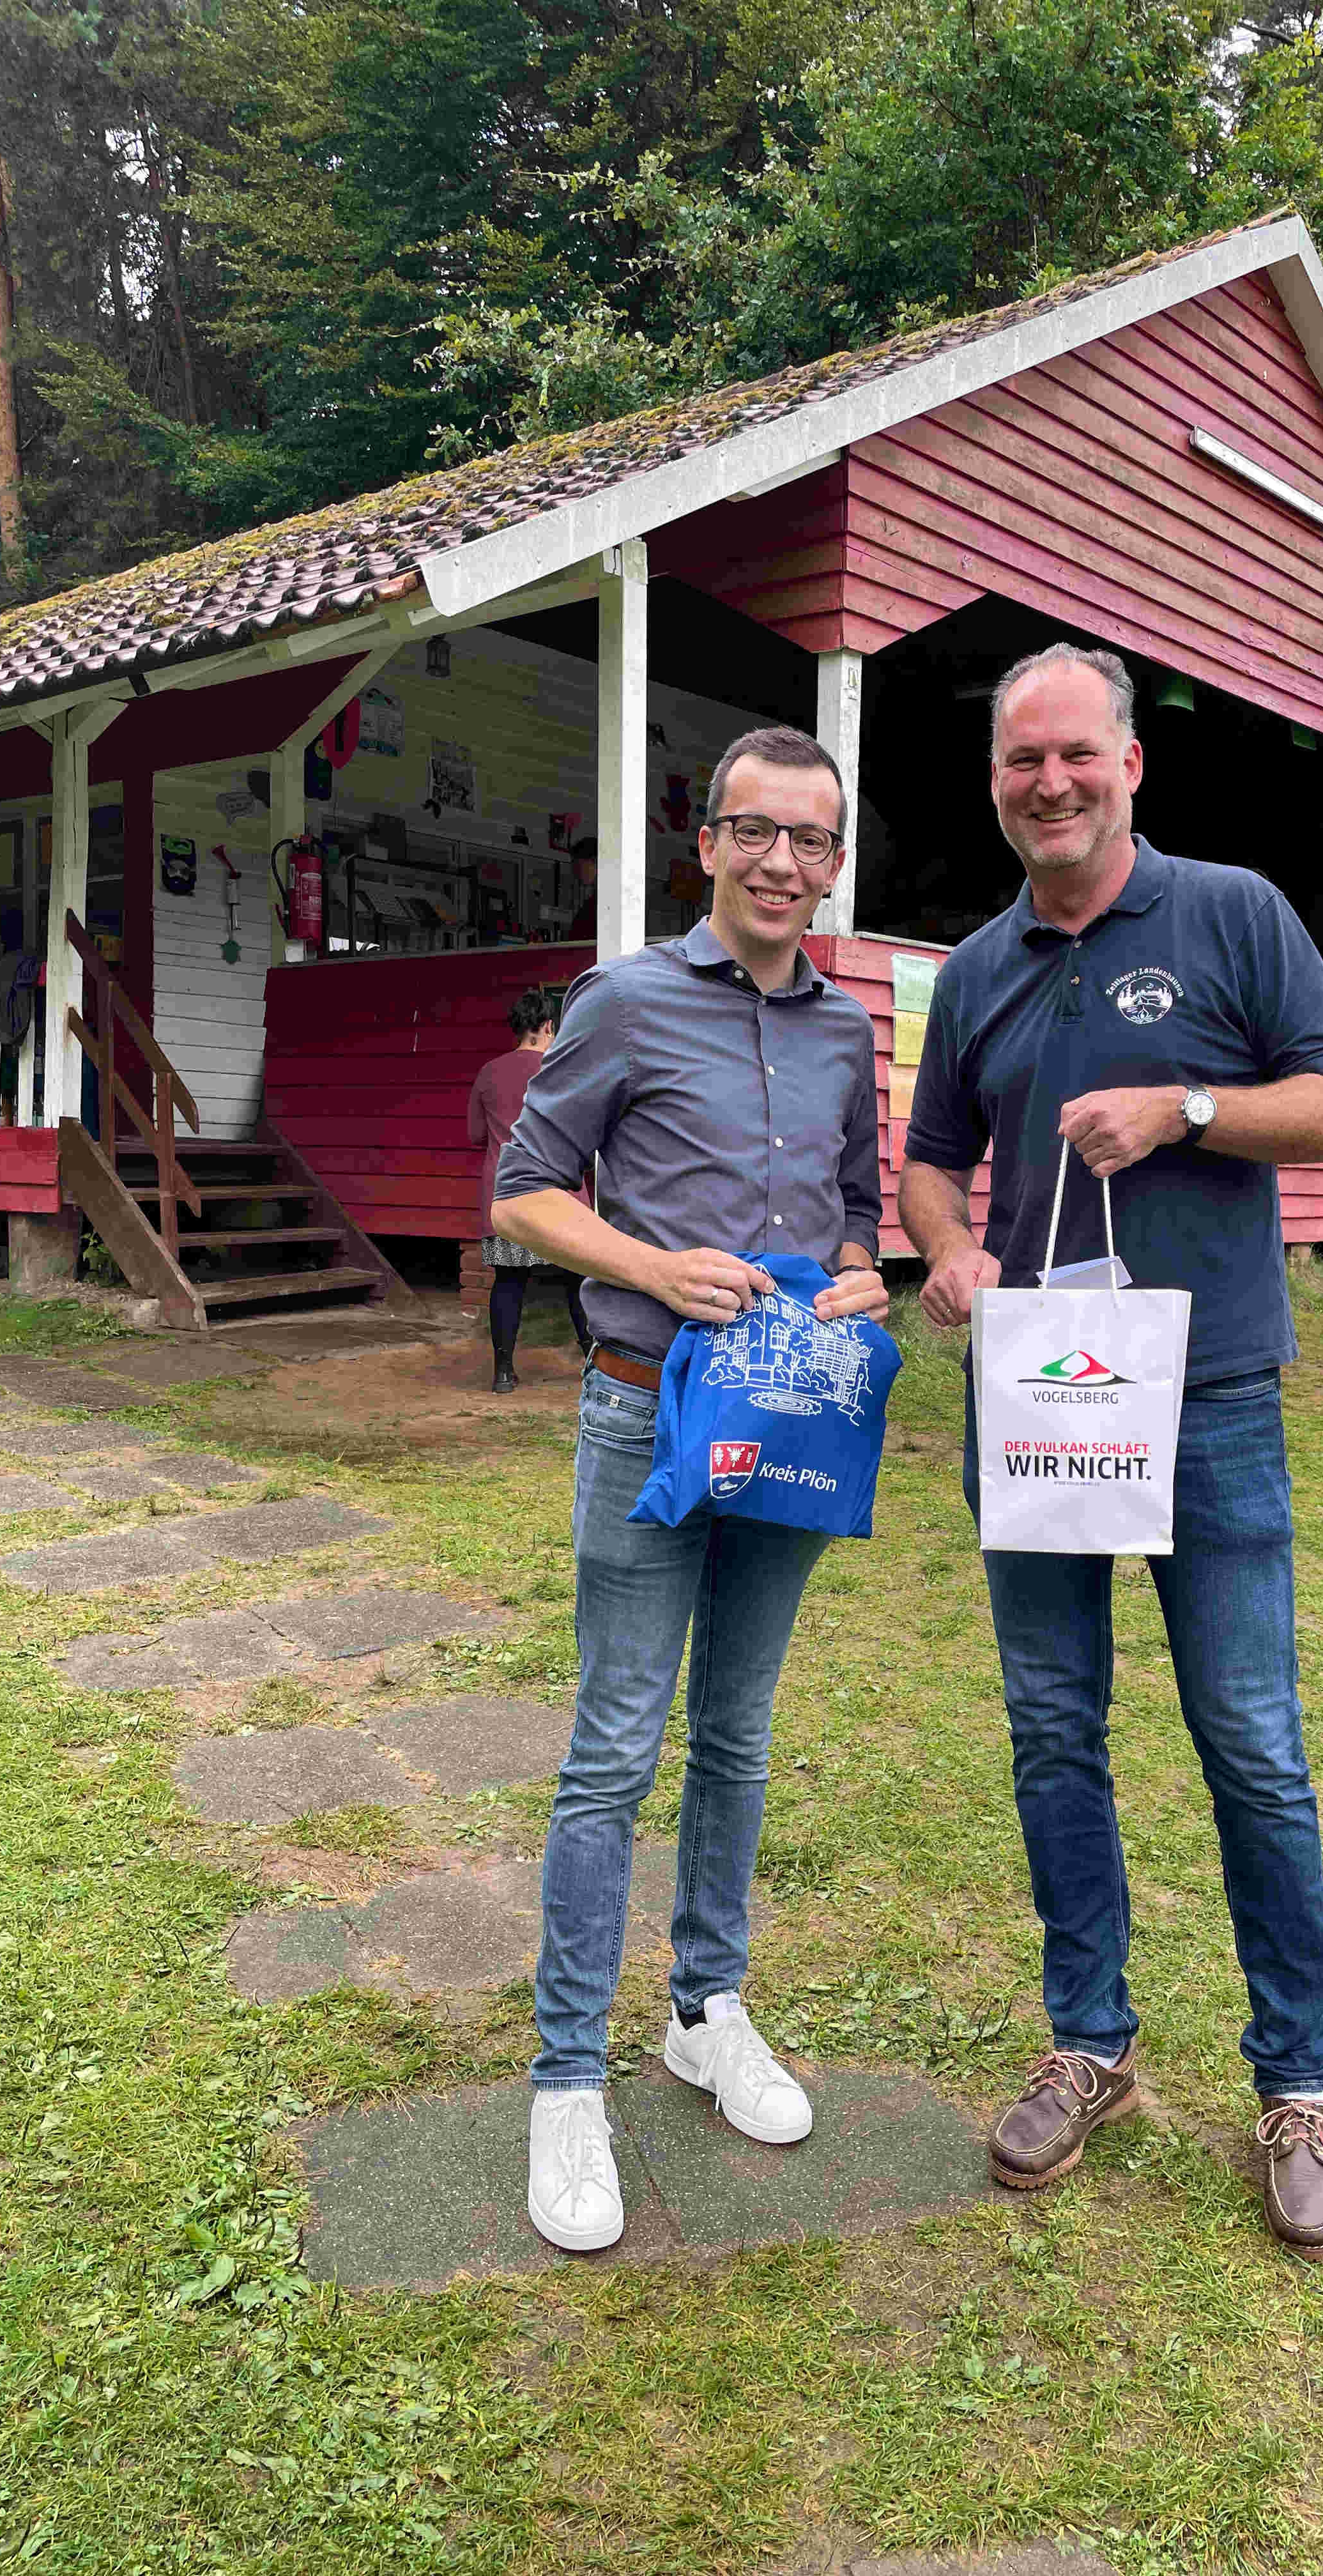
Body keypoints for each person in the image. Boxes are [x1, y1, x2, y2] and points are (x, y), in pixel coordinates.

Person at [898, 642, 1323, 2261]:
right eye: (1020, 762)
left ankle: (1297, 2084)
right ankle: (1090, 2044)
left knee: (1249, 1739)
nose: (1049, 782)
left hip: (1211, 1398)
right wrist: (950, 1256)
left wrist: (1183, 1110)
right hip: (1039, 1399)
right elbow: (929, 1167)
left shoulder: (1234, 914)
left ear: (1129, 764)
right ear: (996, 785)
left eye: (1075, 755)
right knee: (1054, 1728)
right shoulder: (972, 970)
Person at [492, 724, 888, 2253]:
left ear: (833, 862)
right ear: (706, 842)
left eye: (811, 839)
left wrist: (862, 1277)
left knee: (737, 1732)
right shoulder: (630, 1000)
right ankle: (565, 2079)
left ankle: (706, 2010)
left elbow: (858, 1215)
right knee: (614, 1748)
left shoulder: (851, 1035)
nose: (782, 861)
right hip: (646, 1414)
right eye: (754, 832)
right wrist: (653, 1266)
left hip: (792, 1429)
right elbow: (521, 1189)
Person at [467, 994, 592, 1391]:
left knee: (509, 1281)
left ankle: (503, 1372)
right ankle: (593, 1366)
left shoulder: (488, 1072)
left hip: (507, 1196)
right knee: (578, 1279)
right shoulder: (562, 1068)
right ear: (549, 1028)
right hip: (561, 1195)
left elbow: (475, 1135)